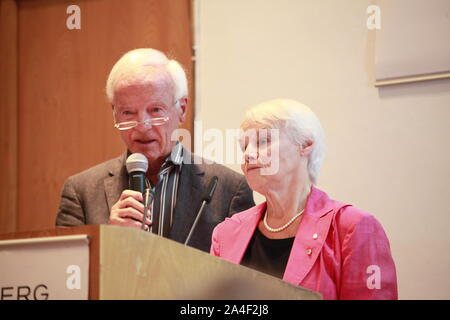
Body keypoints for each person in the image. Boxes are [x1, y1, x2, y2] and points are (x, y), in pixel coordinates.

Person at [56, 48, 254, 252]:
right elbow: (67, 273)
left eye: (156, 110)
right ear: (114, 114)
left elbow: (245, 279)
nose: (142, 125)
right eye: (128, 112)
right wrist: (109, 239)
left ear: (182, 109)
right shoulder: (81, 191)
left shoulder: (229, 190)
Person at [210, 99, 398, 299]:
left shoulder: (353, 228)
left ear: (306, 144)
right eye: (244, 147)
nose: (248, 155)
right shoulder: (226, 233)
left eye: (262, 141)